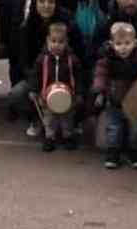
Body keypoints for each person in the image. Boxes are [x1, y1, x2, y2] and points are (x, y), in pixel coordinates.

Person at [9, 16, 83, 151]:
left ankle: (68, 136)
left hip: (68, 96)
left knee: (67, 119)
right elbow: (34, 76)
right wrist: (34, 90)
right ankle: (50, 137)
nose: (56, 45)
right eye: (53, 41)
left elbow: (78, 77)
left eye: (60, 42)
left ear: (67, 42)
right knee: (49, 119)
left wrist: (78, 93)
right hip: (46, 95)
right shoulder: (42, 59)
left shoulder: (72, 60)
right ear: (47, 41)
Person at [93, 21, 137, 170]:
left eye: (127, 43)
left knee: (136, 129)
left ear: (135, 43)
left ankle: (134, 152)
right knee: (113, 128)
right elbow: (100, 74)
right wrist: (99, 91)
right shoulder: (107, 59)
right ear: (111, 43)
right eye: (119, 43)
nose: (123, 47)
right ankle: (113, 152)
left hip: (135, 102)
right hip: (114, 101)